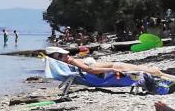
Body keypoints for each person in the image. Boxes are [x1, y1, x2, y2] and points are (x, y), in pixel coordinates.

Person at [45, 46, 175, 80]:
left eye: (65, 53)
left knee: (149, 70)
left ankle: (171, 78)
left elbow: (90, 70)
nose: (65, 56)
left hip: (116, 66)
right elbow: (90, 70)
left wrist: (112, 70)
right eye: (60, 56)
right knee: (147, 69)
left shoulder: (71, 61)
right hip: (114, 66)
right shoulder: (70, 63)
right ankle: (170, 77)